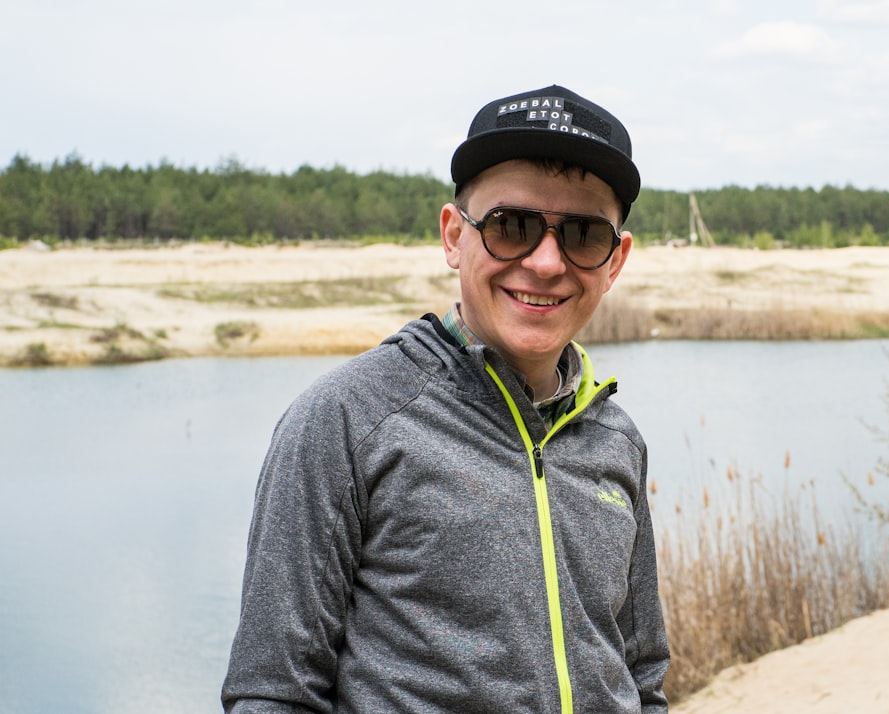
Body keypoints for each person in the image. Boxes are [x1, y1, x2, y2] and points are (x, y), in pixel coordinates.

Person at [222, 84, 671, 713]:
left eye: (583, 234)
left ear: (615, 260)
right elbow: (272, 693)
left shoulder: (615, 439)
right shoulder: (348, 419)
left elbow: (642, 674)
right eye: (511, 226)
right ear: (453, 236)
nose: (546, 263)